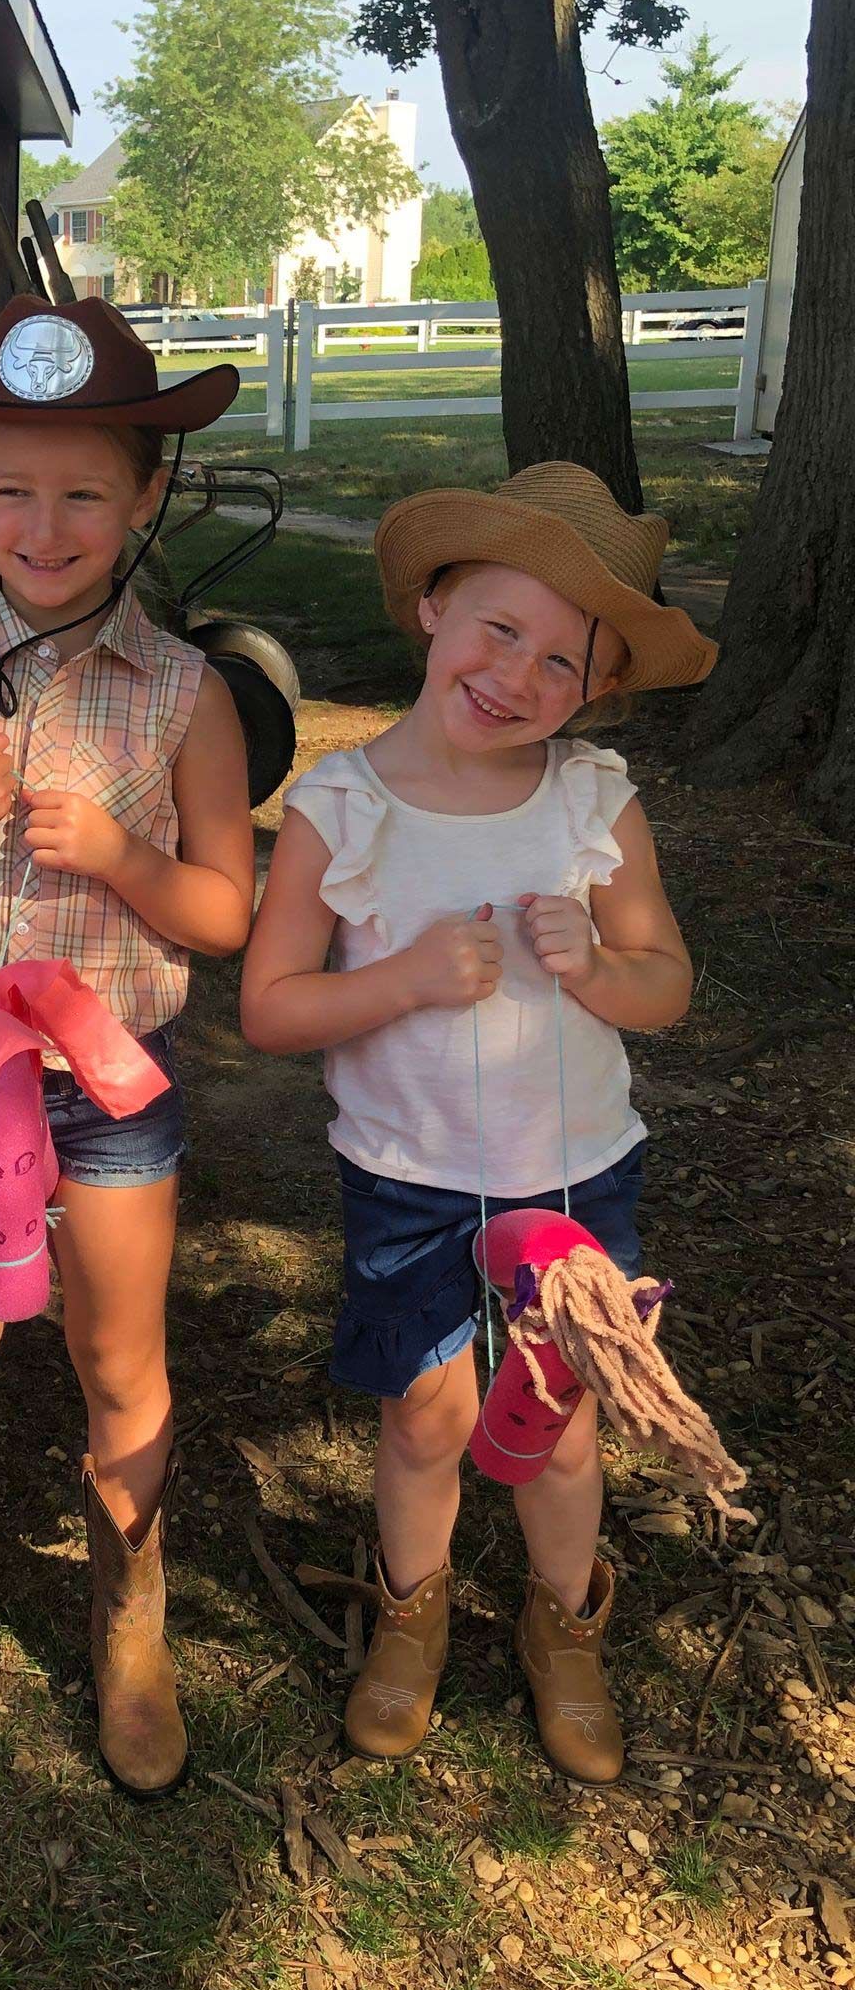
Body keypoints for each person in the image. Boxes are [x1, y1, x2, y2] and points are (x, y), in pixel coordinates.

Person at [240, 462, 719, 1782]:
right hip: (407, 1177)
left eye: (563, 663)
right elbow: (271, 1007)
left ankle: (566, 1630)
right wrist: (398, 979)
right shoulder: (344, 807)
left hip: (572, 1180)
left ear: (600, 692)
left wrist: (597, 973)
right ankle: (414, 1614)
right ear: (434, 607)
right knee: (427, 1416)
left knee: (562, 1418)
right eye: (498, 629)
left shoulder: (591, 803)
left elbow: (666, 985)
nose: (519, 677)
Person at [0, 296, 257, 1797]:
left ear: (146, 498)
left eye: (86, 489)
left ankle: (128, 1618)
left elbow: (223, 909)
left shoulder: (189, 696)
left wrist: (126, 862)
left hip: (111, 1093)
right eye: (12, 487)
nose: (46, 521)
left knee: (115, 1354)